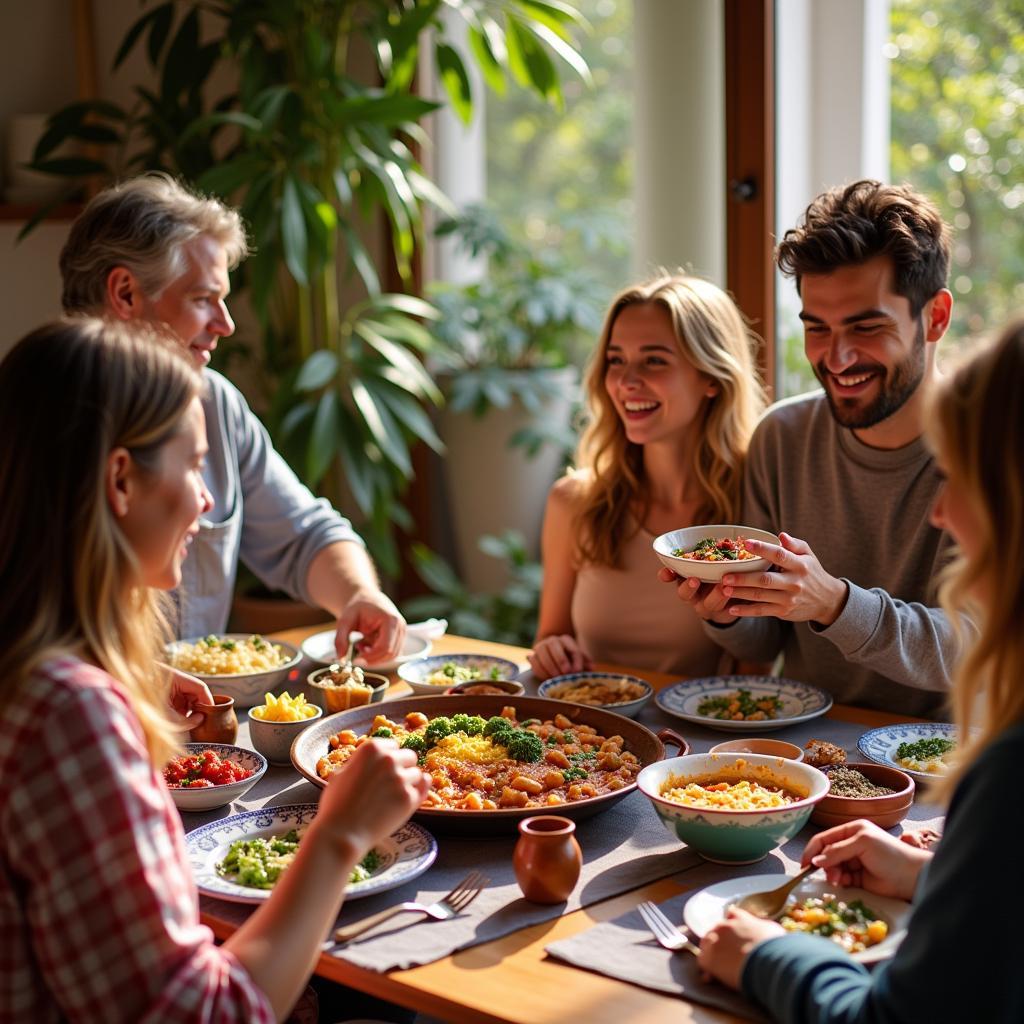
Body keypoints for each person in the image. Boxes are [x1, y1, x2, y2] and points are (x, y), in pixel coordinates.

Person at [0, 318, 430, 1023]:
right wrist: (339, 836)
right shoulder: (66, 712)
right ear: (119, 481)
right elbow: (201, 1015)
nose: (206, 500)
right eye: (195, 465)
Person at [697, 318, 1024, 1023]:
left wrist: (766, 956)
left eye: (961, 480)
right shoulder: (784, 438)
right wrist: (930, 876)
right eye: (816, 325)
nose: (940, 513)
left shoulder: (1006, 772)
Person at [59, 173, 403, 664]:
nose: (226, 324)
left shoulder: (214, 403)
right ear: (126, 293)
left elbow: (304, 534)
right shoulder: (37, 424)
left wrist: (358, 595)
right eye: (203, 299)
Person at [665, 181, 960, 717]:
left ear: (935, 317)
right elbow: (764, 644)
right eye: (816, 329)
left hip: (948, 765)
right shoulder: (783, 437)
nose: (838, 358)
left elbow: (981, 643)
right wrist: (726, 608)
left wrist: (836, 604)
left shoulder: (996, 447)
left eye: (866, 327)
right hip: (809, 752)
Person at [529, 273, 766, 680]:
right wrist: (552, 650)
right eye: (616, 360)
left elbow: (756, 677)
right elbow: (551, 639)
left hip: (702, 738)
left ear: (711, 377)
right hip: (593, 732)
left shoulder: (756, 501)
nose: (625, 381)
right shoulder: (573, 502)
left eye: (654, 360)